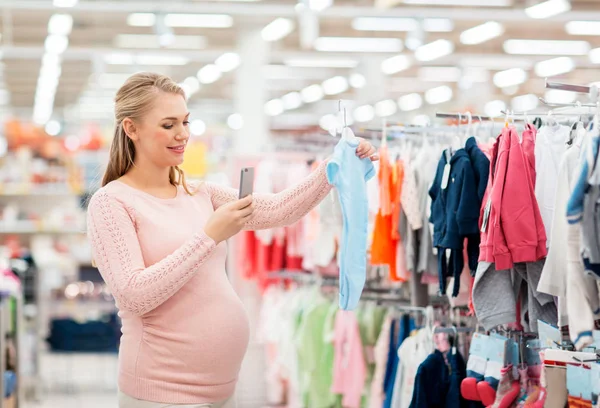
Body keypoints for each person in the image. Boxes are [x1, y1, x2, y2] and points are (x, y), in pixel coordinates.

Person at [86, 72, 378, 408]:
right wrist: (209, 235)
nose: (182, 134)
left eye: (185, 121)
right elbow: (134, 295)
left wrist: (335, 166)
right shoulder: (111, 203)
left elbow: (279, 210)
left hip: (221, 388)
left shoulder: (198, 192)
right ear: (131, 129)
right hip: (161, 391)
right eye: (168, 125)